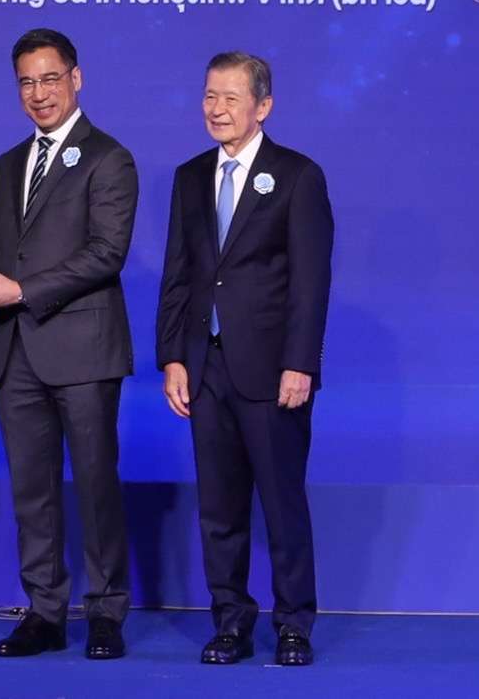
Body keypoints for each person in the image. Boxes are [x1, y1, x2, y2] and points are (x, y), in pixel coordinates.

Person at [0, 28, 138, 660]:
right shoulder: (10, 163)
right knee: (31, 491)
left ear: (76, 79)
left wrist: (23, 290)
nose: (39, 93)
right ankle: (44, 612)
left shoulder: (109, 158)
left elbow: (107, 253)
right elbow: (10, 253)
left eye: (51, 79)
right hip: (17, 354)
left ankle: (106, 612)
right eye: (27, 83)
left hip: (83, 349)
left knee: (94, 485)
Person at [155, 51, 334, 667]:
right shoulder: (189, 176)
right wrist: (173, 358)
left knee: (282, 505)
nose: (217, 109)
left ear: (263, 106)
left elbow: (311, 281)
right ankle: (230, 621)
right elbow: (178, 275)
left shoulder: (298, 176)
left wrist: (300, 363)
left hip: (273, 370)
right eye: (210, 96)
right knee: (219, 508)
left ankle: (294, 625)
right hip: (205, 369)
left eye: (231, 98)